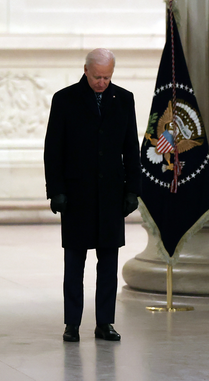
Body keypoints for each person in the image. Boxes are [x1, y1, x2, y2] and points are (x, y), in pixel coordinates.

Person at [44, 48, 142, 342]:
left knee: (108, 263)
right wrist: (56, 190)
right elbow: (53, 150)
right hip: (77, 195)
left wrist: (133, 190)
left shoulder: (124, 99)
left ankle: (105, 323)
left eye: (108, 77)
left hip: (111, 195)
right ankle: (72, 324)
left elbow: (131, 149)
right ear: (85, 70)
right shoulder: (64, 99)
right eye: (98, 77)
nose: (102, 82)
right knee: (74, 263)